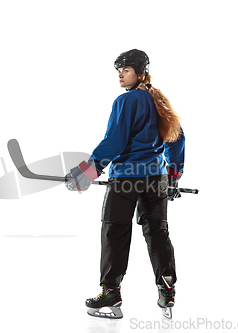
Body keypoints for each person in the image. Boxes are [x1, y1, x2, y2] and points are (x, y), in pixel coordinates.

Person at [65, 49, 185, 319]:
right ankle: (167, 287)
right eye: (119, 69)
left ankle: (111, 293)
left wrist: (88, 170)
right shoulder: (159, 101)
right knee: (157, 232)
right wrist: (174, 176)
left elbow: (115, 141)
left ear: (140, 72)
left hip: (125, 179)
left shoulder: (126, 101)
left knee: (115, 232)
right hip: (156, 179)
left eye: (126, 69)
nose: (120, 74)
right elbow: (177, 140)